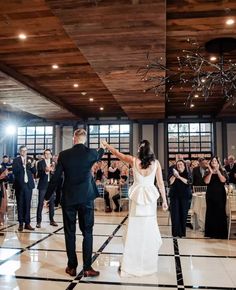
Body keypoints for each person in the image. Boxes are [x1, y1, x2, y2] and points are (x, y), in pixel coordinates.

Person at [102, 139, 168, 277]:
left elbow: (117, 153)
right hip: (149, 200)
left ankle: (132, 263)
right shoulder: (156, 163)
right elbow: (161, 183)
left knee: (134, 231)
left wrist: (107, 145)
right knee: (148, 229)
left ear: (139, 149)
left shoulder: (133, 160)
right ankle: (147, 263)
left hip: (137, 198)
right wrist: (164, 200)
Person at [45, 129, 105, 277]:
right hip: (86, 198)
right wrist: (103, 146)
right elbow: (100, 154)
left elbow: (56, 177)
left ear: (74, 139)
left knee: (69, 233)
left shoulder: (64, 155)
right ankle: (87, 268)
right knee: (88, 232)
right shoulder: (91, 153)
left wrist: (47, 196)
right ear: (84, 139)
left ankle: (71, 267)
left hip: (69, 198)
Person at [12, 146, 36, 231]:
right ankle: (21, 223)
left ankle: (27, 223)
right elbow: (15, 171)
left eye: (25, 150)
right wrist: (24, 166)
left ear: (27, 151)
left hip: (28, 185)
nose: (24, 152)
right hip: (19, 185)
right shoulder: (16, 160)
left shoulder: (31, 159)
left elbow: (34, 172)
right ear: (20, 151)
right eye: (22, 151)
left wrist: (32, 166)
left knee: (27, 204)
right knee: (20, 204)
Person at [204, 156, 228, 239]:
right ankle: (211, 233)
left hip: (220, 194)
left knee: (220, 211)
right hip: (210, 194)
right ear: (210, 163)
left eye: (215, 161)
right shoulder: (207, 171)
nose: (214, 162)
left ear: (218, 162)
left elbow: (223, 180)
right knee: (210, 211)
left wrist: (217, 170)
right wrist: (211, 172)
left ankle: (221, 233)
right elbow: (207, 182)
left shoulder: (223, 170)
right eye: (212, 161)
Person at [168, 160, 192, 238]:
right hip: (174, 196)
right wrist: (175, 175)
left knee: (183, 214)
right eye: (178, 165)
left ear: (184, 166)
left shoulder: (187, 173)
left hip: (184, 196)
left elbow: (188, 182)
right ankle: (175, 233)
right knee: (175, 214)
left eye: (181, 164)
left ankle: (182, 232)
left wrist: (179, 177)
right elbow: (170, 182)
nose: (179, 166)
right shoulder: (173, 173)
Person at [36, 149, 58, 228]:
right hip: (43, 185)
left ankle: (52, 220)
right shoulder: (40, 163)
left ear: (51, 155)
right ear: (44, 154)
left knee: (52, 203)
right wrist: (45, 171)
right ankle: (38, 221)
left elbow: (57, 174)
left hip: (51, 186)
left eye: (49, 153)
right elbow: (38, 174)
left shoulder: (54, 163)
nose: (47, 155)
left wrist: (52, 172)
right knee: (40, 203)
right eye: (46, 153)